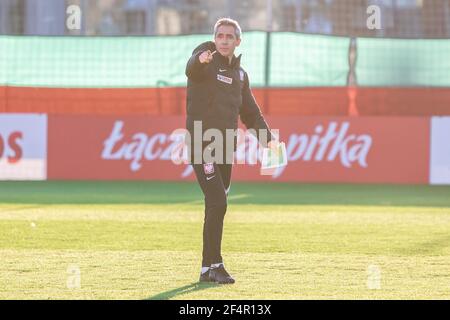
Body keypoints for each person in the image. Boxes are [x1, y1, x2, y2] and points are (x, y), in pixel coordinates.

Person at [185, 18, 279, 284]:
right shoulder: (204, 59)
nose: (224, 40)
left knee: (216, 207)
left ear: (238, 41)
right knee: (219, 202)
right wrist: (199, 59)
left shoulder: (240, 75)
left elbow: (250, 113)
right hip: (202, 143)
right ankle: (216, 264)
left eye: (229, 36)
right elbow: (191, 68)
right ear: (214, 39)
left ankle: (207, 269)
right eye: (220, 35)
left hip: (225, 147)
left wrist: (268, 140)